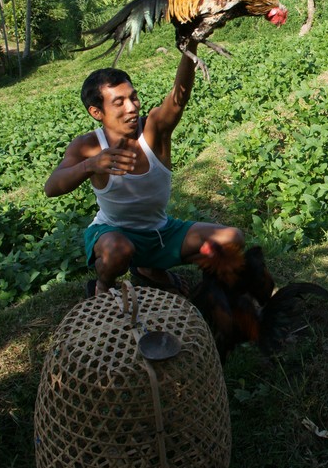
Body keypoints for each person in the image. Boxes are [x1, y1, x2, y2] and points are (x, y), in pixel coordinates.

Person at [45, 54, 244, 297]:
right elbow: (51, 188)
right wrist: (91, 165)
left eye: (133, 97)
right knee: (118, 251)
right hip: (113, 232)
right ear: (97, 112)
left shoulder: (153, 129)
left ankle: (148, 268)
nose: (132, 107)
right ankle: (102, 287)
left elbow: (177, 101)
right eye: (118, 102)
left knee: (232, 239)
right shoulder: (88, 146)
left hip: (161, 232)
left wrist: (189, 46)